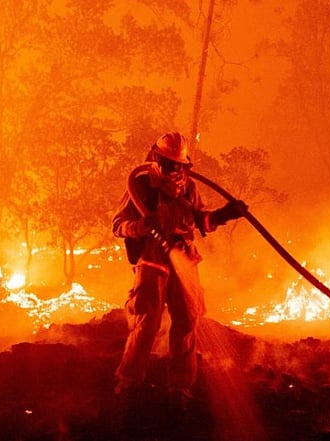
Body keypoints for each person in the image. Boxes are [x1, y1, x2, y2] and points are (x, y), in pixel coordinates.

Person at [112, 132, 247, 410]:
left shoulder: (188, 188)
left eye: (179, 166)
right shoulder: (141, 185)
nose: (175, 171)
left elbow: (202, 220)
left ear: (185, 166)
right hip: (152, 262)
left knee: (187, 321)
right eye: (169, 164)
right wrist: (139, 227)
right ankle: (128, 382)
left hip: (185, 260)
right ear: (157, 159)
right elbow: (118, 225)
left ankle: (181, 386)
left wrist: (225, 214)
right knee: (146, 323)